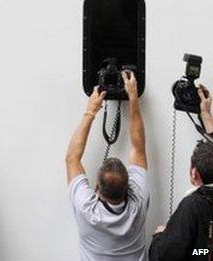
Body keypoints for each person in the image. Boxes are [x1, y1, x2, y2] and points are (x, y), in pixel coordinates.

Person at [66, 72, 149, 260]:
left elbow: (72, 158)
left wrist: (90, 111)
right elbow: (138, 148)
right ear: (129, 187)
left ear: (96, 187)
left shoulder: (86, 210)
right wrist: (133, 98)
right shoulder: (138, 203)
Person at [149, 85, 213, 261]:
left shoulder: (192, 206)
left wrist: (160, 236)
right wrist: (206, 115)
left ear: (194, 173)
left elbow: (166, 256)